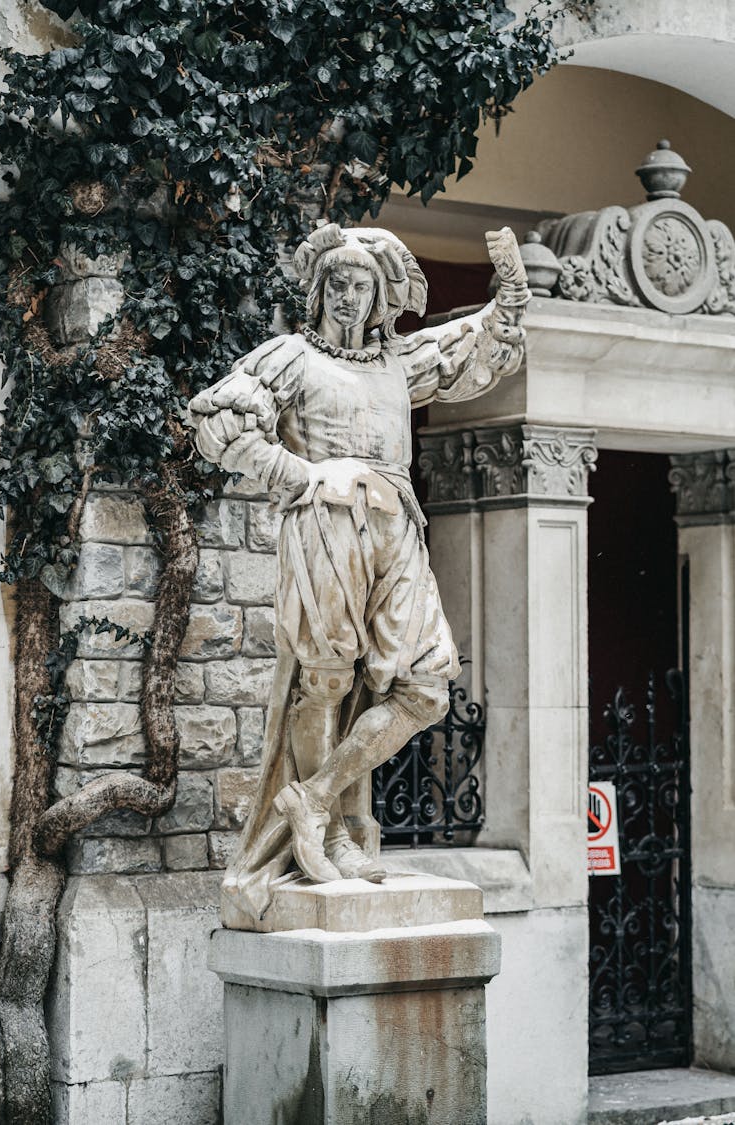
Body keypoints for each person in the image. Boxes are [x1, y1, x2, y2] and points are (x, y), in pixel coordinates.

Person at [188, 223, 529, 924]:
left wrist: (511, 299)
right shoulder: (290, 357)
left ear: (380, 295)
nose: (348, 295)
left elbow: (470, 351)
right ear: (318, 292)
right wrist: (294, 475)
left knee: (429, 682)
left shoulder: (399, 360)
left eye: (362, 285)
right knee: (328, 678)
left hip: (396, 521)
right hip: (326, 521)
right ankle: (334, 829)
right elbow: (217, 423)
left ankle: (312, 797)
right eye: (337, 284)